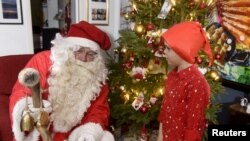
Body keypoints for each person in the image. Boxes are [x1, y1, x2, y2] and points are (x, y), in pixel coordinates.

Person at [9, 21, 114, 141]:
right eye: (78, 51)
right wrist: (32, 110)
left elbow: (99, 110)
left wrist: (88, 132)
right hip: (39, 133)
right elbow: (22, 92)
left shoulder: (97, 77)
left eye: (90, 54)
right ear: (67, 49)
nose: (83, 59)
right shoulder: (42, 61)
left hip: (74, 134)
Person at [157, 21, 213, 141]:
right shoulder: (172, 76)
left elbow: (193, 128)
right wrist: (160, 137)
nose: (164, 52)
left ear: (182, 50)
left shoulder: (197, 83)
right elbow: (164, 112)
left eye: (168, 48)